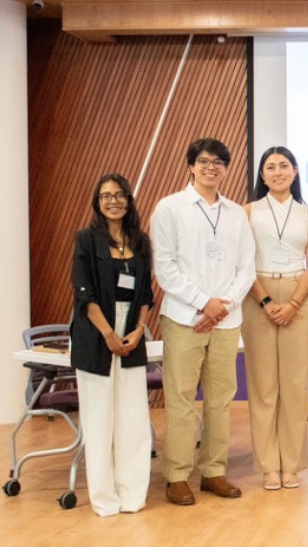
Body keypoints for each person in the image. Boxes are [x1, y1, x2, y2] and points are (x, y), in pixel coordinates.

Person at [151, 138, 255, 505]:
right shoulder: (169, 209)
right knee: (180, 398)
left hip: (226, 321)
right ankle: (177, 475)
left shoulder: (236, 213)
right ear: (191, 166)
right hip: (184, 318)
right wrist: (202, 303)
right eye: (204, 161)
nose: (212, 167)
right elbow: (165, 268)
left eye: (219, 162)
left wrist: (221, 306)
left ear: (226, 169)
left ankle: (213, 471)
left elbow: (247, 267)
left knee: (220, 399)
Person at [71, 173, 153, 517]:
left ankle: (132, 495)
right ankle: (105, 499)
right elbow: (83, 292)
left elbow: (146, 292)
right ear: (97, 202)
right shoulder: (87, 240)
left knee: (133, 419)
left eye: (120, 195)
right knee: (99, 420)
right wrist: (109, 335)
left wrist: (138, 330)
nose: (113, 201)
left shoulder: (141, 240)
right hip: (96, 334)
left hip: (131, 335)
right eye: (106, 196)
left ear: (129, 200)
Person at [242, 147, 308, 491]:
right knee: (263, 386)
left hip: (298, 293)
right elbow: (241, 262)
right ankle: (268, 467)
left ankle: (291, 464)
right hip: (257, 291)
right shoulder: (247, 212)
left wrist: (293, 303)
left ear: (295, 171)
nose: (277, 172)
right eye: (270, 167)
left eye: (284, 166)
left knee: (293, 384)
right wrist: (267, 300)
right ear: (262, 175)